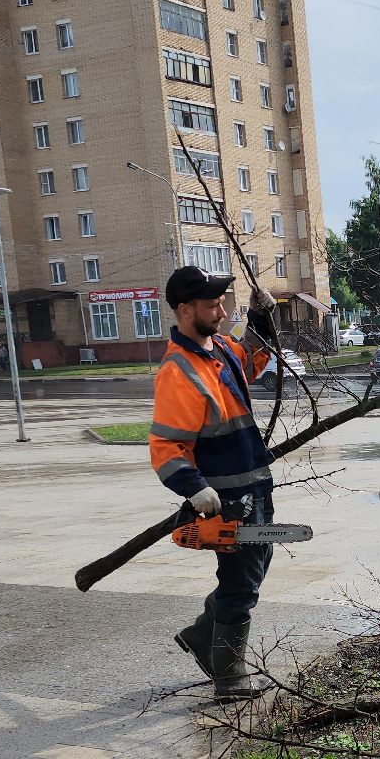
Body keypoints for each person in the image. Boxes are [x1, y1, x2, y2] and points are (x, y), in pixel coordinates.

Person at [149, 265, 279, 698]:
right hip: (226, 498)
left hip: (253, 487)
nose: (222, 312)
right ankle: (228, 675)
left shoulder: (220, 349)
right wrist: (194, 486)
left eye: (223, 303)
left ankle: (202, 636)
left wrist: (261, 318)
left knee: (252, 570)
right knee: (241, 581)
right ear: (185, 310)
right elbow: (166, 446)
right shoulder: (178, 371)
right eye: (212, 305)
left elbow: (254, 361)